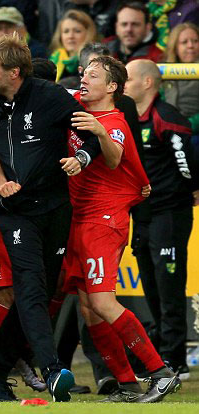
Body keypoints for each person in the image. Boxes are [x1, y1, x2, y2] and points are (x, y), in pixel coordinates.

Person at [0, 34, 103, 403]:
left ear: (14, 72)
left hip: (54, 208)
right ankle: (52, 371)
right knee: (30, 288)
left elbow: (92, 138)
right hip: (15, 214)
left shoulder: (52, 98)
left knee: (38, 295)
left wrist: (80, 159)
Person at [65, 55, 181, 403]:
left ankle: (160, 372)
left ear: (112, 87)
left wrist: (99, 130)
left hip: (104, 219)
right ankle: (127, 383)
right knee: (87, 307)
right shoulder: (73, 102)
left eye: (94, 76)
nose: (84, 79)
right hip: (80, 218)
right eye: (84, 73)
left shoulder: (114, 120)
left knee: (101, 300)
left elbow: (114, 156)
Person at [125, 58, 197, 382]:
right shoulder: (129, 117)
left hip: (169, 214)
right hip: (142, 216)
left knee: (169, 289)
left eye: (127, 79)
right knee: (151, 288)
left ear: (147, 83)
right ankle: (158, 355)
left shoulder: (167, 118)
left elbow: (187, 165)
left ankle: (174, 361)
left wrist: (192, 188)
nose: (122, 85)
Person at [160, 22, 199, 137]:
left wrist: (185, 126)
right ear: (175, 47)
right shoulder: (163, 70)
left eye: (195, 41)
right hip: (168, 130)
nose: (190, 45)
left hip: (193, 133)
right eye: (184, 42)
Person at [49, 10, 97, 84]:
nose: (70, 36)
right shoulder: (54, 59)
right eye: (66, 31)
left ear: (88, 33)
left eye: (77, 31)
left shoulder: (94, 61)